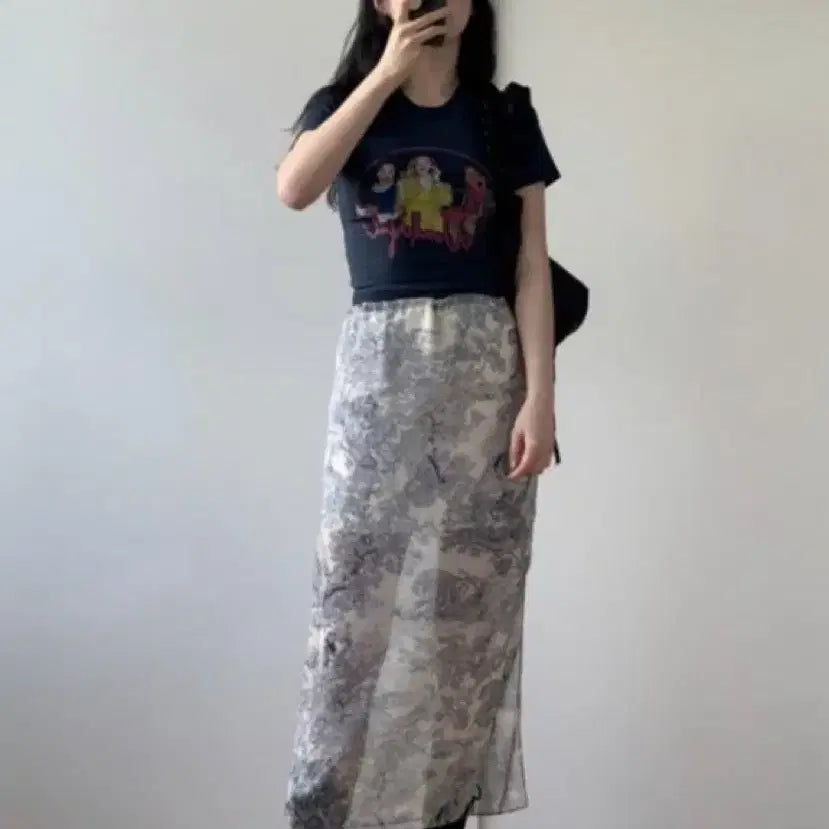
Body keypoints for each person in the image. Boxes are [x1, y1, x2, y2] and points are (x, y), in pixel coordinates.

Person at [277, 2, 560, 827]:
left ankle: (441, 812)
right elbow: (294, 187)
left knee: (466, 617)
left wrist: (539, 398)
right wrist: (385, 77)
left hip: (484, 378)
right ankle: (327, 812)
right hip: (379, 376)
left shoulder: (503, 117)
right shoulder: (344, 103)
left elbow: (531, 266)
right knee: (353, 610)